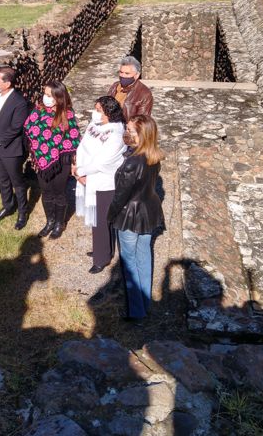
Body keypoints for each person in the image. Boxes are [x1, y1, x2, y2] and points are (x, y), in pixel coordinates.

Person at [107, 115, 164, 321]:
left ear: (142, 135)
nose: (127, 133)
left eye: (131, 130)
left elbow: (120, 197)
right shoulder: (153, 156)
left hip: (130, 216)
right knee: (144, 256)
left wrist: (109, 216)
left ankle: (136, 311)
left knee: (129, 263)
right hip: (149, 213)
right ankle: (145, 301)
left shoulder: (132, 163)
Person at [72, 96, 127, 274]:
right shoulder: (95, 124)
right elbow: (83, 144)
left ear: (109, 114)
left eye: (99, 111)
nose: (94, 113)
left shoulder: (117, 134)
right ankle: (102, 249)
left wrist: (81, 172)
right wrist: (77, 166)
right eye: (95, 109)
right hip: (87, 175)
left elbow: (104, 162)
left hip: (104, 182)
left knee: (101, 220)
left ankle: (102, 258)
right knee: (97, 220)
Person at [24, 81, 81, 239]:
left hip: (61, 162)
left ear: (58, 97)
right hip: (41, 161)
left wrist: (74, 162)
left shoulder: (66, 114)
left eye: (49, 95)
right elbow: (29, 128)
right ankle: (49, 221)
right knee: (46, 191)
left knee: (59, 193)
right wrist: (37, 148)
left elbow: (74, 138)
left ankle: (59, 223)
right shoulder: (39, 110)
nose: (46, 98)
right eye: (45, 94)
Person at [0, 66, 30, 230]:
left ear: (8, 83)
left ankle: (23, 213)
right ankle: (8, 206)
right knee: (3, 180)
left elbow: (16, 127)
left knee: (17, 182)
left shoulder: (19, 102)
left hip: (10, 150)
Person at [107, 56, 153, 121]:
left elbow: (141, 121)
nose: (123, 75)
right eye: (121, 72)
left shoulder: (144, 94)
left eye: (127, 73)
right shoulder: (115, 86)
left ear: (137, 75)